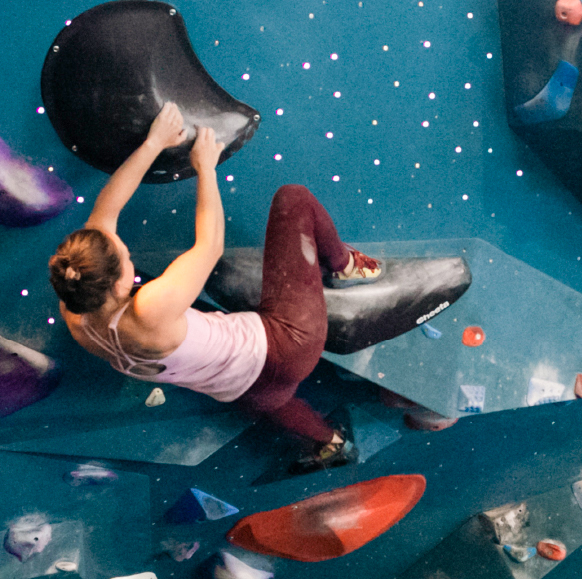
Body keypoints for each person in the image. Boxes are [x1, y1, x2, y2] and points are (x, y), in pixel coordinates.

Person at [48, 104, 381, 471]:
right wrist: (205, 167)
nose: (126, 252)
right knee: (294, 199)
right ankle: (346, 266)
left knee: (273, 399)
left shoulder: (76, 312)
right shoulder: (150, 308)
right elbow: (209, 245)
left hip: (239, 390)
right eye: (125, 258)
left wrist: (154, 143)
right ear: (115, 286)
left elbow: (104, 212)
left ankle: (331, 443)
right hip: (287, 346)